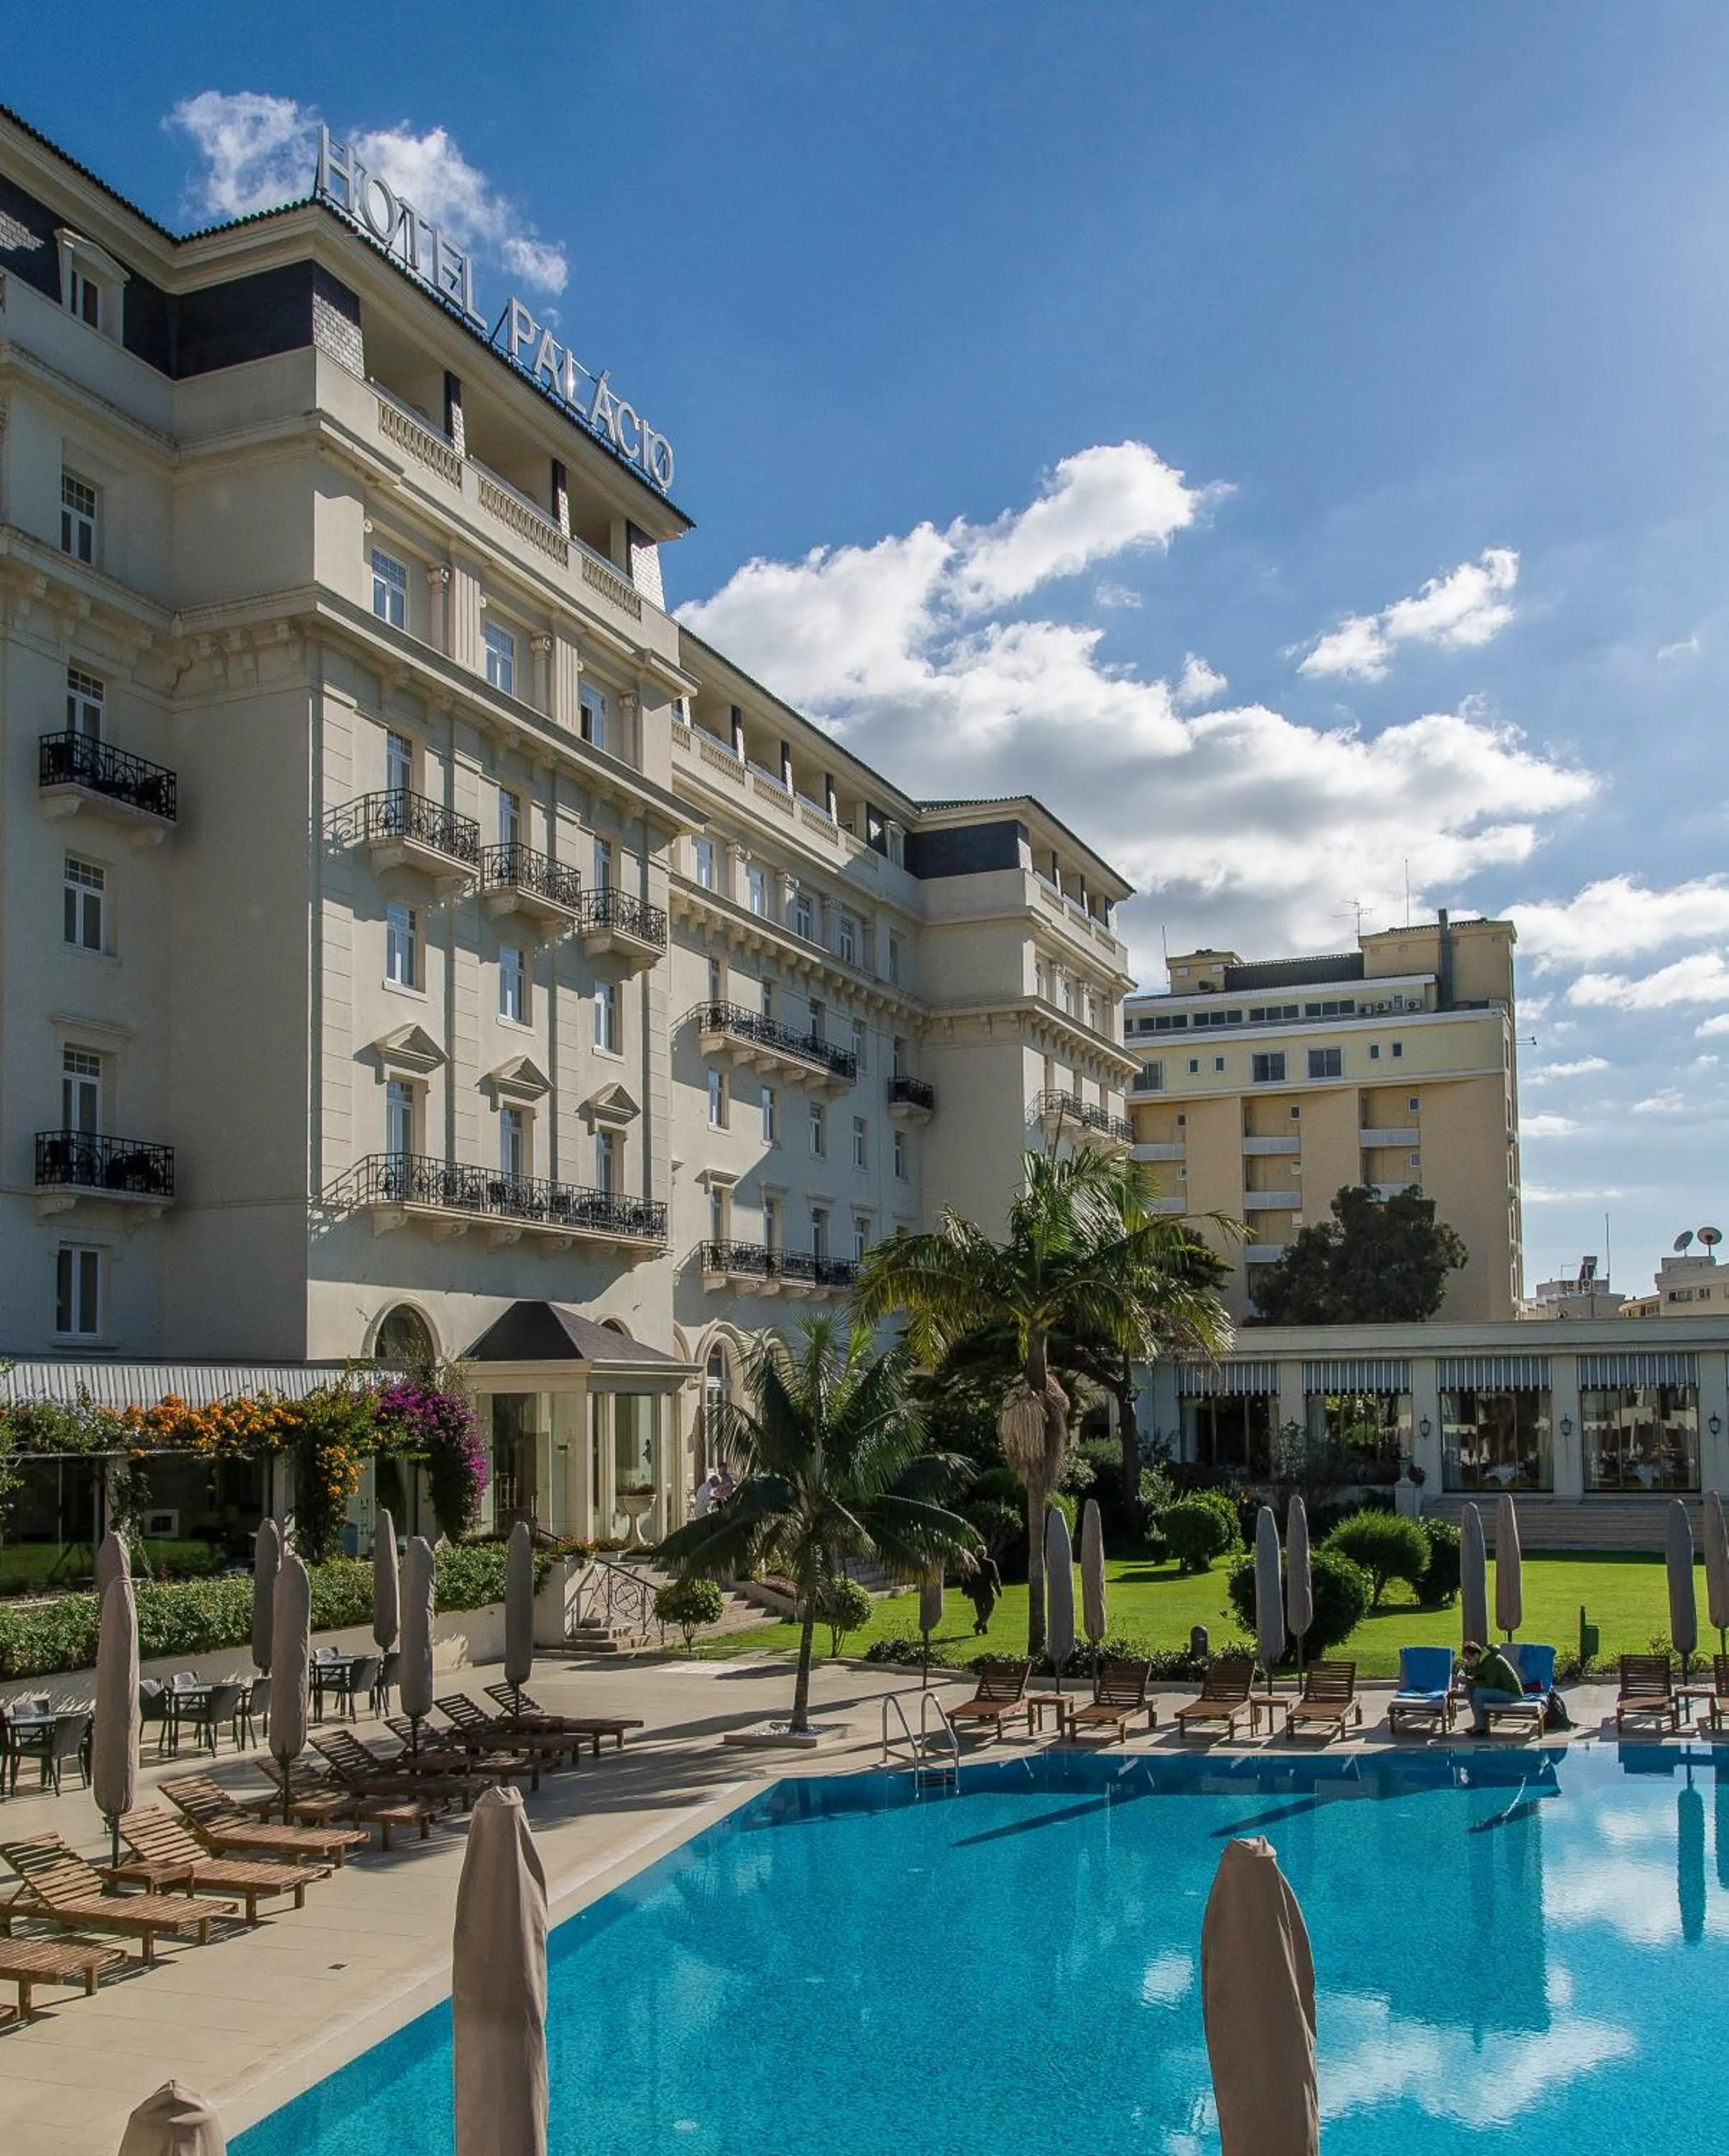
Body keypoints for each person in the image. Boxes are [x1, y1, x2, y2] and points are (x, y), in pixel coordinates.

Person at [1462, 1639, 1524, 1736]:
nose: (1468, 1662)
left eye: (1469, 1659)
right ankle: (1479, 1724)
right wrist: (1470, 1675)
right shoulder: (1484, 1660)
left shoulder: (1492, 1661)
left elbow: (1489, 1685)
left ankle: (1480, 1727)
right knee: (1469, 1689)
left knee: (1479, 1693)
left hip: (1512, 1694)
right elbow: (1480, 1678)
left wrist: (1469, 1681)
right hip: (1501, 1690)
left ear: (1476, 1656)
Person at [965, 1552, 1002, 1636]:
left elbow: (966, 1577)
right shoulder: (990, 1563)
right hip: (986, 1589)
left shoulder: (972, 1563)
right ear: (985, 1553)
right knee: (989, 1607)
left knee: (980, 1610)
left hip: (976, 1590)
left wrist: (966, 1589)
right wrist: (998, 1590)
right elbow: (996, 1578)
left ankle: (981, 1626)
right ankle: (980, 1625)